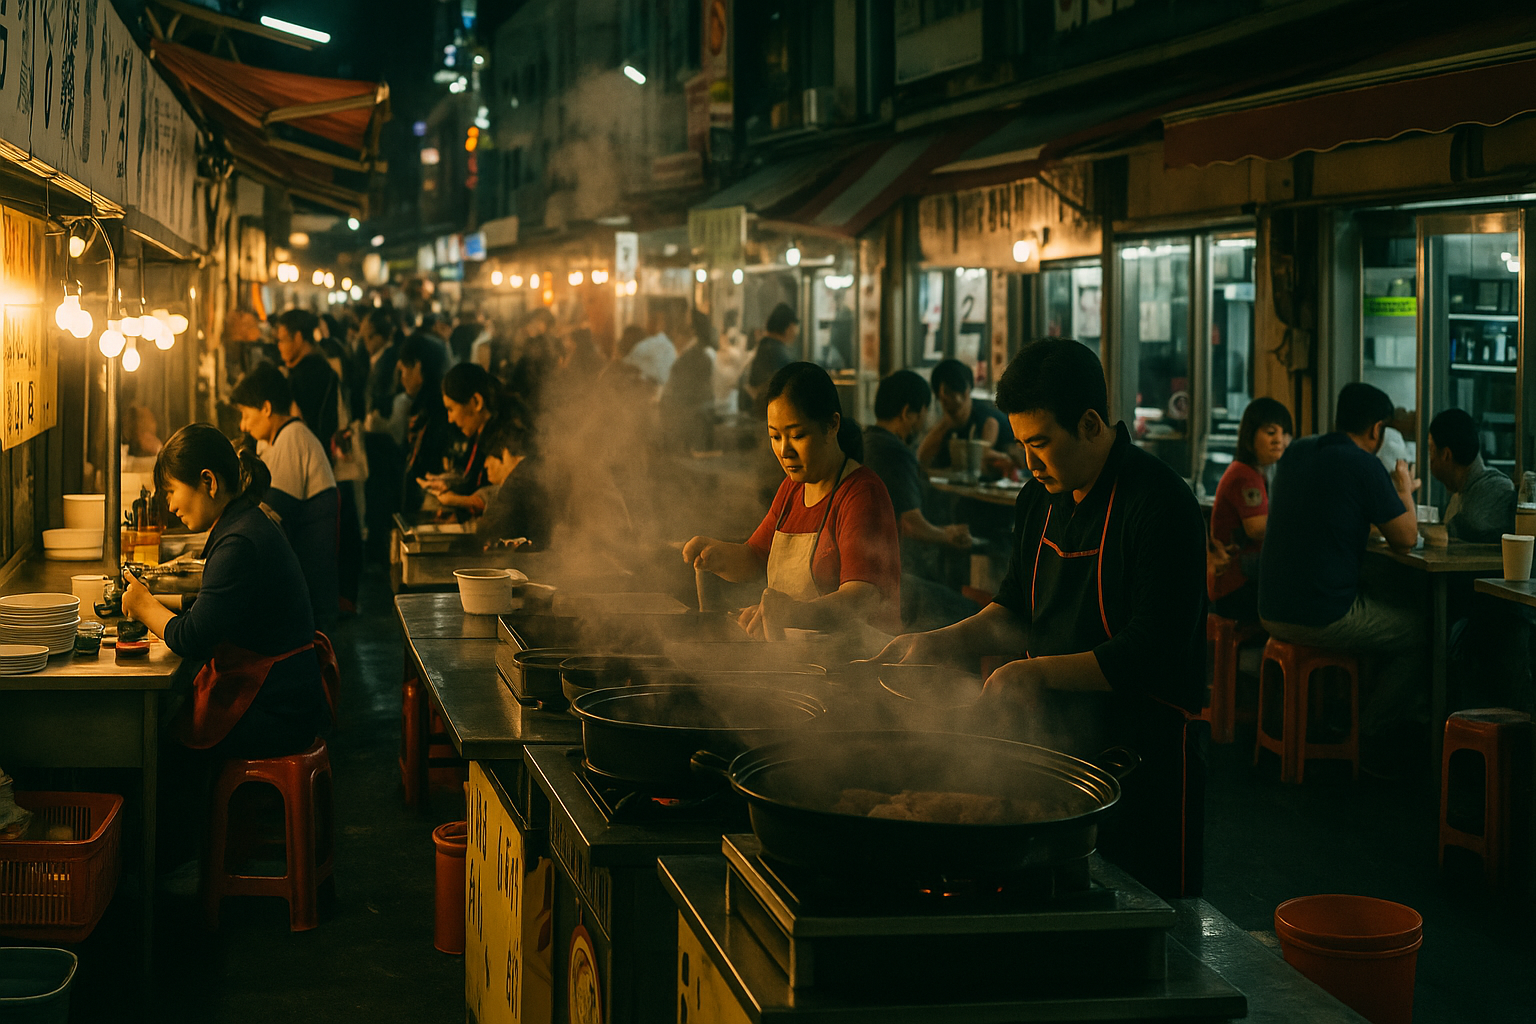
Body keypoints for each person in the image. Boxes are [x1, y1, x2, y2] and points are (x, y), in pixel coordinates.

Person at [873, 339, 1208, 899]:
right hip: (1053, 741)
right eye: (1022, 443)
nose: (1029, 461)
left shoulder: (1160, 503)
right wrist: (934, 644)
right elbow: (1013, 612)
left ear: (1092, 423)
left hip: (1142, 754)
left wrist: (1030, 674)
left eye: (1041, 443)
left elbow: (1151, 650)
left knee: (1140, 917)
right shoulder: (1039, 499)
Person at [121, 423, 333, 759]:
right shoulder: (244, 521)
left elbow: (192, 638)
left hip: (278, 711)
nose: (171, 506)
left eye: (172, 491)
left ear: (208, 481)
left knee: (154, 742)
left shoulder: (239, 542)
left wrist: (144, 605)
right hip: (287, 694)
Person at [1258, 382, 1424, 762]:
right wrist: (1403, 489)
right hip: (1320, 615)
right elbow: (1406, 538)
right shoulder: (1363, 464)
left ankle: (1339, 716)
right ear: (1377, 429)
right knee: (1419, 632)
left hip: (1269, 607)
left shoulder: (1297, 451)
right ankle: (1370, 735)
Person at [684, 362, 901, 649]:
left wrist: (795, 612)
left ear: (832, 425)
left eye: (797, 436)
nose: (784, 451)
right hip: (801, 659)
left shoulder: (861, 494)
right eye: (775, 436)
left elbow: (861, 596)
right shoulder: (791, 489)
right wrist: (716, 555)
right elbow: (755, 558)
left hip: (860, 662)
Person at [863, 370, 977, 629]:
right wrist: (948, 535)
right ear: (907, 413)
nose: (924, 422)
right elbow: (911, 524)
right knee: (971, 615)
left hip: (867, 575)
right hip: (890, 582)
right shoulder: (893, 451)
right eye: (924, 413)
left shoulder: (866, 441)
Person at [231, 363, 341, 631]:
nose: (243, 425)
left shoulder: (292, 437)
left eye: (245, 414)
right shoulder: (284, 438)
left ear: (266, 408)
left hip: (314, 586)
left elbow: (272, 513)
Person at [1208, 398, 1293, 621]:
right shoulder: (1245, 476)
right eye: (1270, 432)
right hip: (1236, 586)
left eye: (1285, 433)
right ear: (1250, 436)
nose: (1280, 440)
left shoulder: (1258, 473)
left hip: (1247, 578)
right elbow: (1257, 528)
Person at [421, 362, 504, 515]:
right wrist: (449, 484)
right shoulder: (479, 434)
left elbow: (509, 492)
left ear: (476, 402)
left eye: (451, 409)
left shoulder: (504, 435)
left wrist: (458, 501)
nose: (450, 419)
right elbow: (471, 480)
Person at [1428, 408, 1516, 542]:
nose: (1430, 460)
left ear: (1446, 455)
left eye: (1431, 450)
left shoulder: (1497, 488)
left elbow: (1468, 526)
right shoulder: (1458, 495)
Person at [917, 358, 1017, 473]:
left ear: (968, 389)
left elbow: (979, 458)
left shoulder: (987, 419)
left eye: (958, 393)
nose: (955, 401)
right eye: (945, 397)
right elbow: (922, 458)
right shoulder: (946, 427)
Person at [474, 421, 554, 550]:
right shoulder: (544, 465)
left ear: (506, 453)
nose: (485, 465)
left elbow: (491, 527)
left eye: (489, 457)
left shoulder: (520, 477)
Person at [398, 334, 452, 514]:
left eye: (404, 370)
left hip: (430, 504)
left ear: (418, 367)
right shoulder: (433, 403)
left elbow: (425, 461)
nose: (402, 378)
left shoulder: (431, 409)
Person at [274, 309, 340, 448]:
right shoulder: (322, 366)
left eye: (282, 340)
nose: (279, 346)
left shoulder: (305, 375)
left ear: (298, 338)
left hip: (307, 450)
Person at [661, 310, 716, 449]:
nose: (675, 335)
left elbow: (682, 393)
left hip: (690, 423)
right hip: (697, 421)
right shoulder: (703, 354)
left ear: (692, 331)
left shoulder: (696, 356)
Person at [741, 303, 799, 416]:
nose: (796, 333)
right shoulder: (778, 352)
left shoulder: (764, 346)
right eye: (795, 328)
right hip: (771, 416)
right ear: (789, 328)